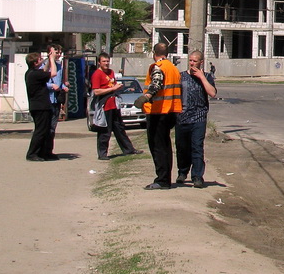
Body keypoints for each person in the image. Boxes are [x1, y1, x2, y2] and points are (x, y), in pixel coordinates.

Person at [140, 43, 182, 190]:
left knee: (158, 146)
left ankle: (162, 180)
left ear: (154, 53)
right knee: (165, 145)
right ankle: (165, 178)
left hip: (158, 112)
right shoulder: (173, 68)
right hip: (172, 110)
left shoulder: (158, 67)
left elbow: (156, 83)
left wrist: (146, 96)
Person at [176, 50, 217, 188]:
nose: (192, 63)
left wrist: (202, 77)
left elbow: (212, 93)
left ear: (201, 62)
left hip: (199, 117)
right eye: (191, 60)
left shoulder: (206, 76)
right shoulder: (181, 76)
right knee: (182, 147)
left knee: (197, 147)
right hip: (182, 117)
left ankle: (197, 176)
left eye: (195, 61)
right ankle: (182, 172)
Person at [90, 52, 143, 160]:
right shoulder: (97, 74)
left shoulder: (111, 72)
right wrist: (112, 89)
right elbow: (96, 92)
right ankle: (102, 154)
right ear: (99, 62)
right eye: (104, 61)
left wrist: (119, 88)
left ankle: (129, 149)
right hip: (104, 106)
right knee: (105, 130)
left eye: (107, 61)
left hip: (114, 104)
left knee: (119, 128)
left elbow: (113, 85)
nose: (106, 63)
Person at [25, 50, 59, 161]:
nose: (41, 61)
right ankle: (32, 153)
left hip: (41, 106)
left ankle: (44, 152)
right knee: (40, 131)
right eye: (40, 60)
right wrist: (53, 60)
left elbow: (44, 71)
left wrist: (49, 60)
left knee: (46, 130)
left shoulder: (32, 73)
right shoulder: (34, 74)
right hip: (40, 107)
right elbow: (53, 73)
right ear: (35, 63)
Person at [45, 43, 67, 157]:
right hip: (46, 100)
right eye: (56, 52)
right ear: (49, 52)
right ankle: (42, 150)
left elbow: (60, 82)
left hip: (56, 100)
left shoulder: (59, 66)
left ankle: (49, 151)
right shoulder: (44, 65)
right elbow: (41, 82)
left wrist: (64, 86)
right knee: (45, 127)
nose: (58, 54)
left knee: (53, 127)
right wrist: (51, 86)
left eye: (59, 53)